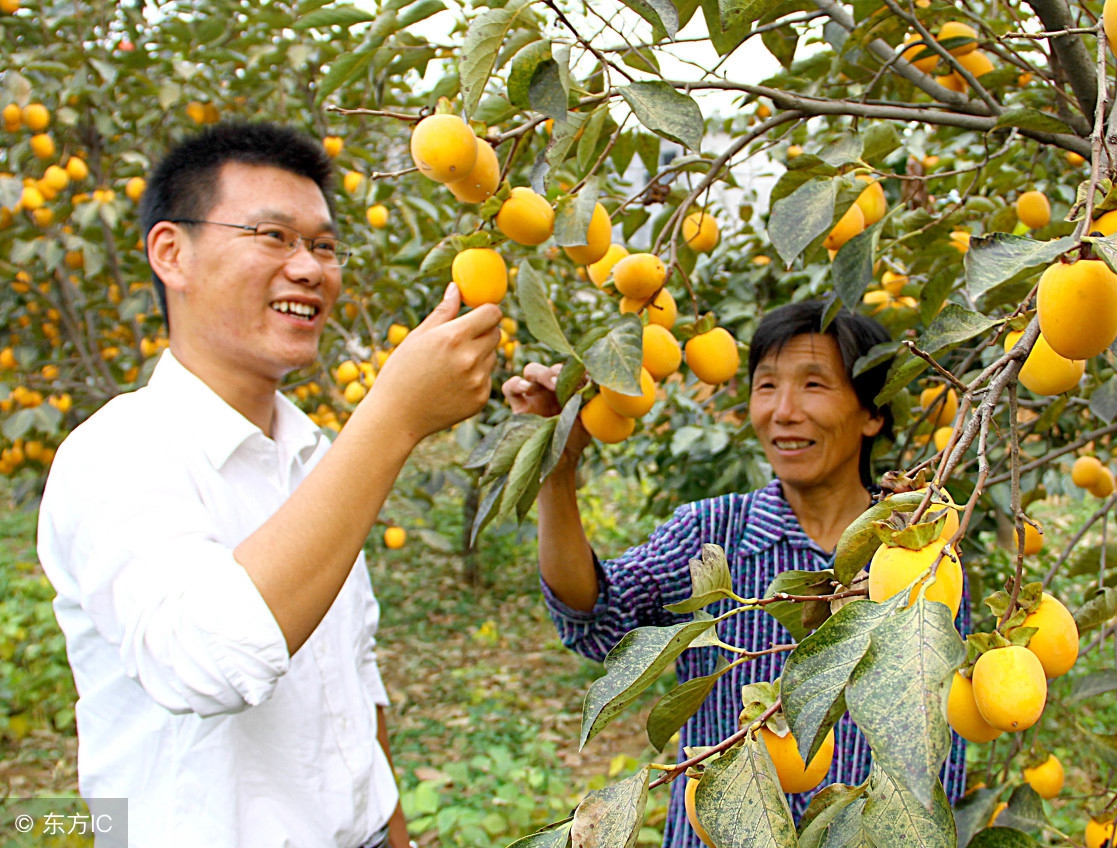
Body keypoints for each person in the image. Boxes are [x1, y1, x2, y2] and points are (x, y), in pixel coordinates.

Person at [37, 122, 502, 848]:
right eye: (273, 236)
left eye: (324, 246)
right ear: (172, 253)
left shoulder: (313, 454)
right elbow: (206, 663)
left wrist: (391, 831)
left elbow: (353, 680)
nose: (310, 268)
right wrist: (392, 417)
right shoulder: (115, 453)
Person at [503, 300, 970, 848]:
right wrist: (558, 471)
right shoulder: (711, 532)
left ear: (873, 413)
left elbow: (940, 736)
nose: (783, 411)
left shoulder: (924, 550)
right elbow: (595, 611)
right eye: (766, 385)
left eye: (813, 384)